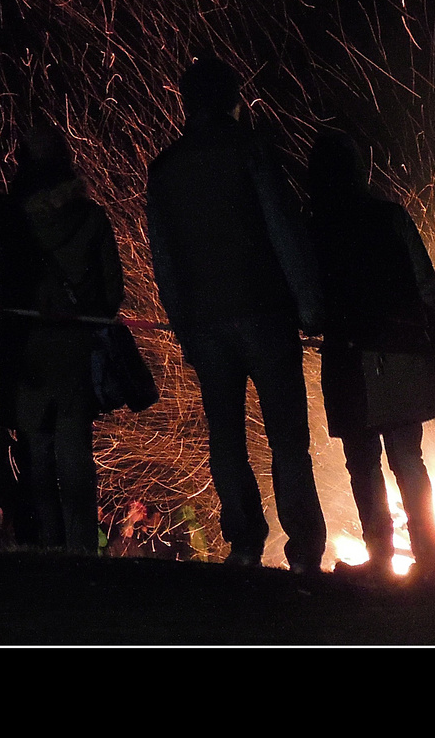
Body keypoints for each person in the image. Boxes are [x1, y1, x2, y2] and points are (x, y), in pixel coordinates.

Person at [146, 57, 327, 572]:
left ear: (185, 102)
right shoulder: (251, 150)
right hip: (264, 312)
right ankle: (304, 550)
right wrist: (309, 301)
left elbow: (163, 258)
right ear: (232, 98)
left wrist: (182, 322)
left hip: (205, 322)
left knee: (225, 435)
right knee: (288, 435)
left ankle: (244, 543)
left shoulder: (165, 170)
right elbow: (282, 226)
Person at [308, 131, 435, 585]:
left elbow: (310, 304)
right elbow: (427, 285)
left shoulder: (318, 226)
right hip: (401, 353)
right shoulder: (389, 216)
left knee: (364, 460)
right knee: (407, 458)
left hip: (351, 357)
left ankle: (383, 556)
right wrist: (431, 346)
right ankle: (427, 556)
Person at [0, 126, 125, 554]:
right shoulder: (91, 217)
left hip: (23, 354)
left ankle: (46, 546)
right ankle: (82, 550)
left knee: (35, 455)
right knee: (76, 452)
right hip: (74, 354)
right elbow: (111, 294)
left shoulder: (7, 223)